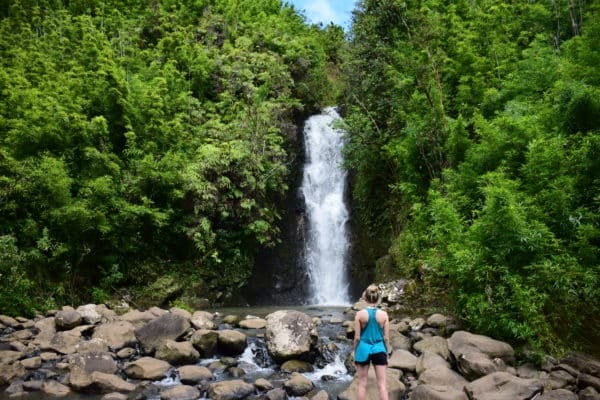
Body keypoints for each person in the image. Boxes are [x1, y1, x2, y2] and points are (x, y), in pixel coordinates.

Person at [353, 284, 392, 400]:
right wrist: (387, 354)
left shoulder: (359, 314)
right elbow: (386, 338)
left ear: (365, 298)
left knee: (362, 384)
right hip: (379, 349)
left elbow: (357, 337)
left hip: (363, 349)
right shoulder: (384, 315)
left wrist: (355, 353)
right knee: (382, 385)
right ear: (378, 298)